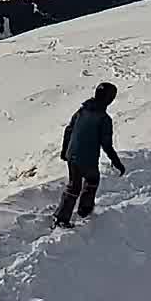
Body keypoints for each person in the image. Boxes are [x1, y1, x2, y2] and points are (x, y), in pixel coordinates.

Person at [56, 82, 125, 227]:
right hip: (87, 158)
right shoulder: (104, 119)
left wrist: (64, 151)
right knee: (92, 181)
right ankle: (83, 211)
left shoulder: (81, 111)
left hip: (72, 154)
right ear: (109, 99)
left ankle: (62, 217)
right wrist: (117, 162)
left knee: (74, 185)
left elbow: (69, 130)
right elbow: (106, 144)